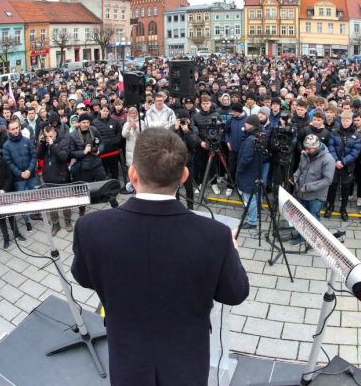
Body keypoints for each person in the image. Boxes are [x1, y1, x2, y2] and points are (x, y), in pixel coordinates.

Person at [71, 127, 249, 386]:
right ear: (185, 176)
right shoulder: (216, 236)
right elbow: (235, 293)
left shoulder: (90, 228)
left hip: (127, 359)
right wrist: (232, 251)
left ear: (132, 174)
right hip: (187, 363)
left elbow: (84, 277)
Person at [291, 134, 336, 242]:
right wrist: (295, 177)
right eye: (305, 147)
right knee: (302, 217)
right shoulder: (305, 154)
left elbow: (327, 180)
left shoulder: (328, 159)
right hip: (302, 192)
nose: (306, 150)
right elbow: (300, 169)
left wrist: (307, 187)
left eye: (309, 148)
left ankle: (311, 239)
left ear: (316, 147)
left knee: (313, 219)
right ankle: (302, 235)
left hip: (316, 196)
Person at [37, 125, 74, 234]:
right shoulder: (45, 142)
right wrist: (42, 144)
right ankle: (55, 224)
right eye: (46, 136)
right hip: (48, 176)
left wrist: (53, 145)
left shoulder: (63, 141)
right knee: (52, 203)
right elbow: (39, 156)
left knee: (66, 201)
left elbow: (64, 157)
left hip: (61, 176)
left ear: (55, 133)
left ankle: (68, 222)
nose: (49, 138)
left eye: (51, 136)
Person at [4, 119, 39, 230]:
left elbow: (33, 156)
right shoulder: (6, 146)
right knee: (22, 200)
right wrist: (20, 173)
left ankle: (37, 213)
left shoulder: (27, 141)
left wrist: (29, 170)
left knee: (34, 196)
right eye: (12, 129)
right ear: (9, 130)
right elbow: (8, 163)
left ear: (19, 127)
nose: (15, 130)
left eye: (16, 128)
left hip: (31, 174)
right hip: (19, 178)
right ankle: (26, 220)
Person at [236, 114, 264, 228]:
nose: (245, 125)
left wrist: (239, 170)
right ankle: (256, 214)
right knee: (256, 194)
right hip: (256, 171)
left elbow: (246, 158)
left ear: (253, 126)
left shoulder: (251, 140)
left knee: (249, 196)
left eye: (247, 124)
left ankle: (252, 221)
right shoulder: (259, 136)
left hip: (248, 173)